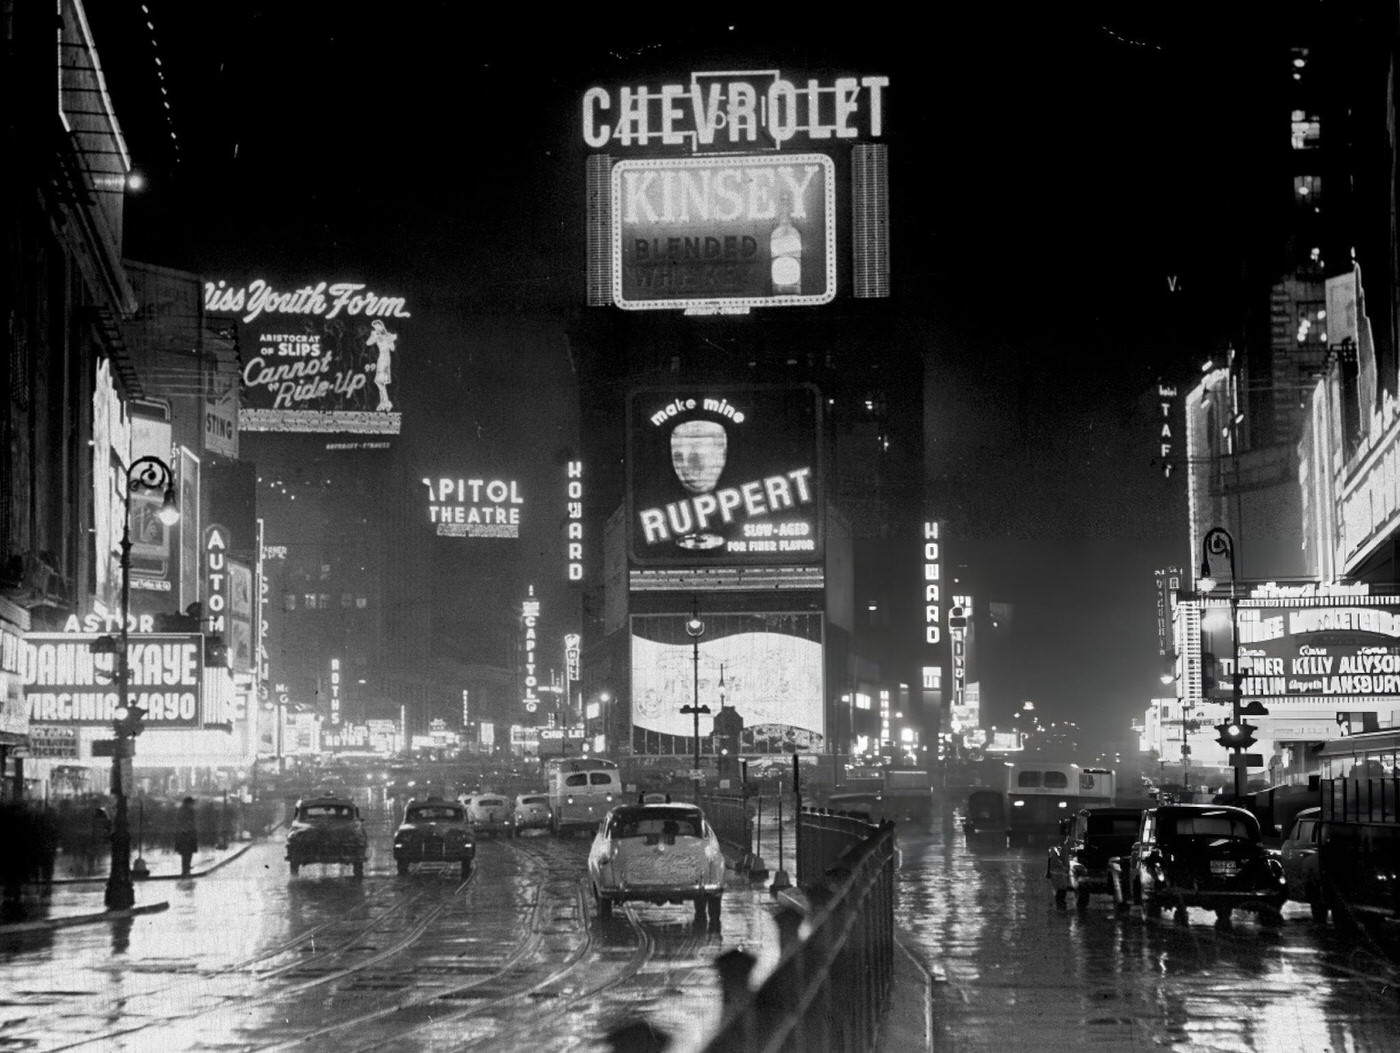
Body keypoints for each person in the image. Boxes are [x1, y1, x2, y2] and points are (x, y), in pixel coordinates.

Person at [175, 796, 199, 877]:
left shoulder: (180, 810)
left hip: (183, 834)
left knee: (185, 853)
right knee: (187, 853)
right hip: (188, 834)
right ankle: (186, 868)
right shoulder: (189, 811)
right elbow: (190, 822)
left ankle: (185, 868)